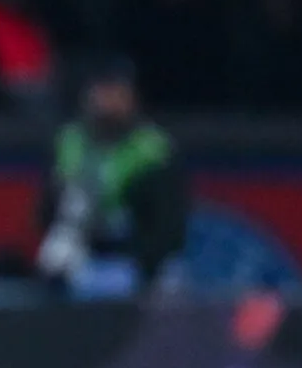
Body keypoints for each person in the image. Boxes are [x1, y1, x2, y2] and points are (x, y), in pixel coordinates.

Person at [36, 54, 189, 298]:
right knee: (56, 261)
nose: (109, 101)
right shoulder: (71, 142)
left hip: (138, 260)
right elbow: (47, 209)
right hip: (87, 256)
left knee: (166, 281)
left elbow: (169, 226)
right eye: (102, 92)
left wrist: (140, 263)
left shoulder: (152, 149)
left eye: (117, 92)